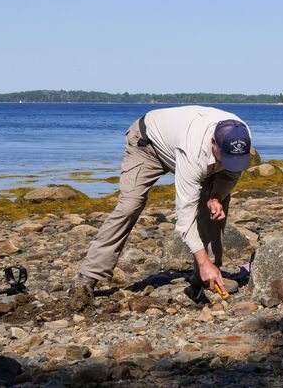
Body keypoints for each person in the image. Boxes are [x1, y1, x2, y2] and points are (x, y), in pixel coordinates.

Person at [70, 105, 252, 307]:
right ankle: (88, 276)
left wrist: (216, 196)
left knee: (216, 210)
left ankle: (205, 278)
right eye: (226, 158)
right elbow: (185, 217)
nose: (230, 162)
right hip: (147, 145)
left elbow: (230, 174)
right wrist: (202, 259)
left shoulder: (240, 137)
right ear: (213, 142)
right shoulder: (193, 150)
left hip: (184, 146)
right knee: (130, 206)